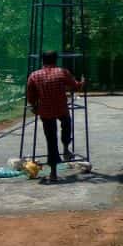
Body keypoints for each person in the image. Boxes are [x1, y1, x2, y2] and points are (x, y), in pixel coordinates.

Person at [26, 50, 85, 182]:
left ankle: (53, 173)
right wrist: (82, 82)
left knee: (51, 140)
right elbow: (75, 86)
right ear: (56, 60)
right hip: (61, 108)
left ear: (42, 61)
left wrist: (35, 107)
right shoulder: (62, 72)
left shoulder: (34, 75)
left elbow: (31, 97)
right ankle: (65, 147)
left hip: (45, 111)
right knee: (66, 123)